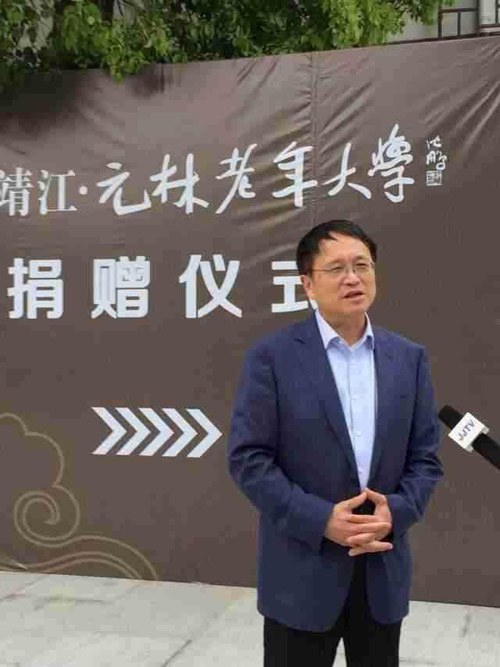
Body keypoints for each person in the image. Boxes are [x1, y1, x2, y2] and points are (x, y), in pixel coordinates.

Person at [227, 220, 444, 667]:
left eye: (362, 265)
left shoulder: (408, 358)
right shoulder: (272, 358)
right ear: (308, 284)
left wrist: (395, 512)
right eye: (336, 268)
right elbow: (249, 459)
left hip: (380, 572)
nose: (352, 278)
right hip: (300, 575)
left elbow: (425, 459)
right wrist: (321, 519)